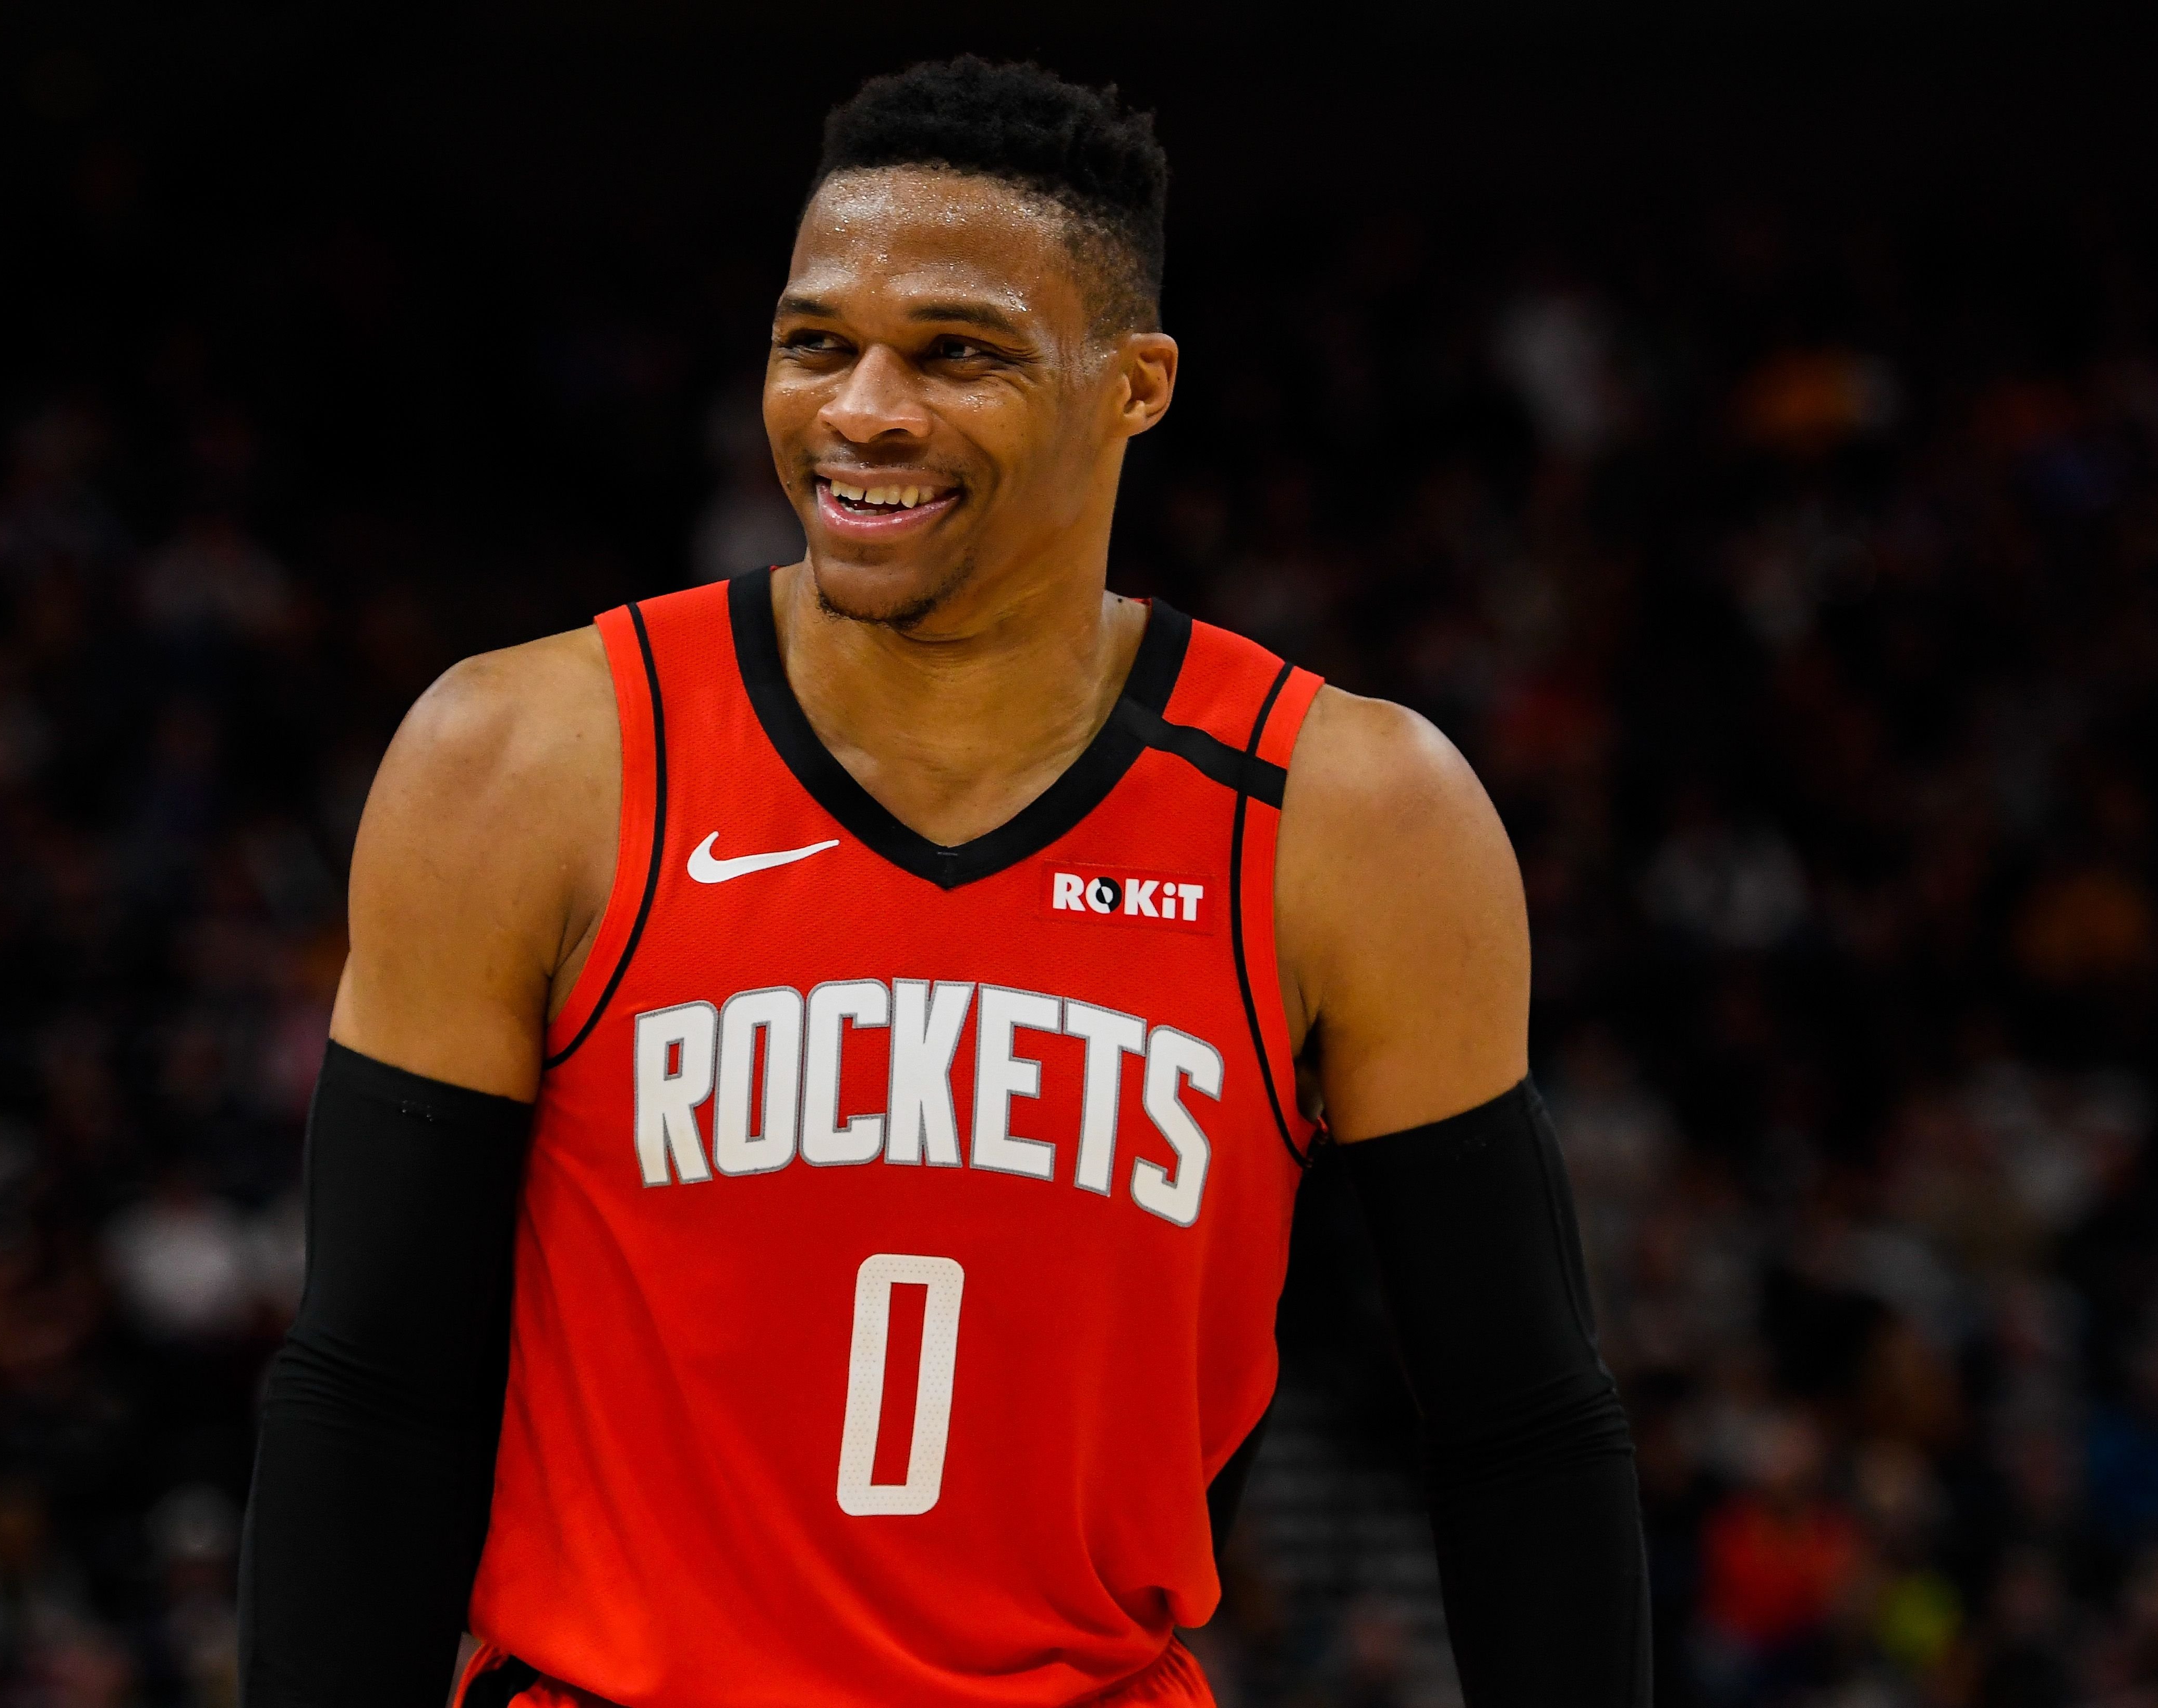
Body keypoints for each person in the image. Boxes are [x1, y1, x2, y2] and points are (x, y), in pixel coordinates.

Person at [238, 56, 1648, 1708]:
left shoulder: (1349, 814)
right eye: (815, 342)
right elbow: (373, 1382)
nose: (862, 410)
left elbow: (1520, 1420)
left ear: (1137, 386)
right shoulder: (530, 758)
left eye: (956, 353)